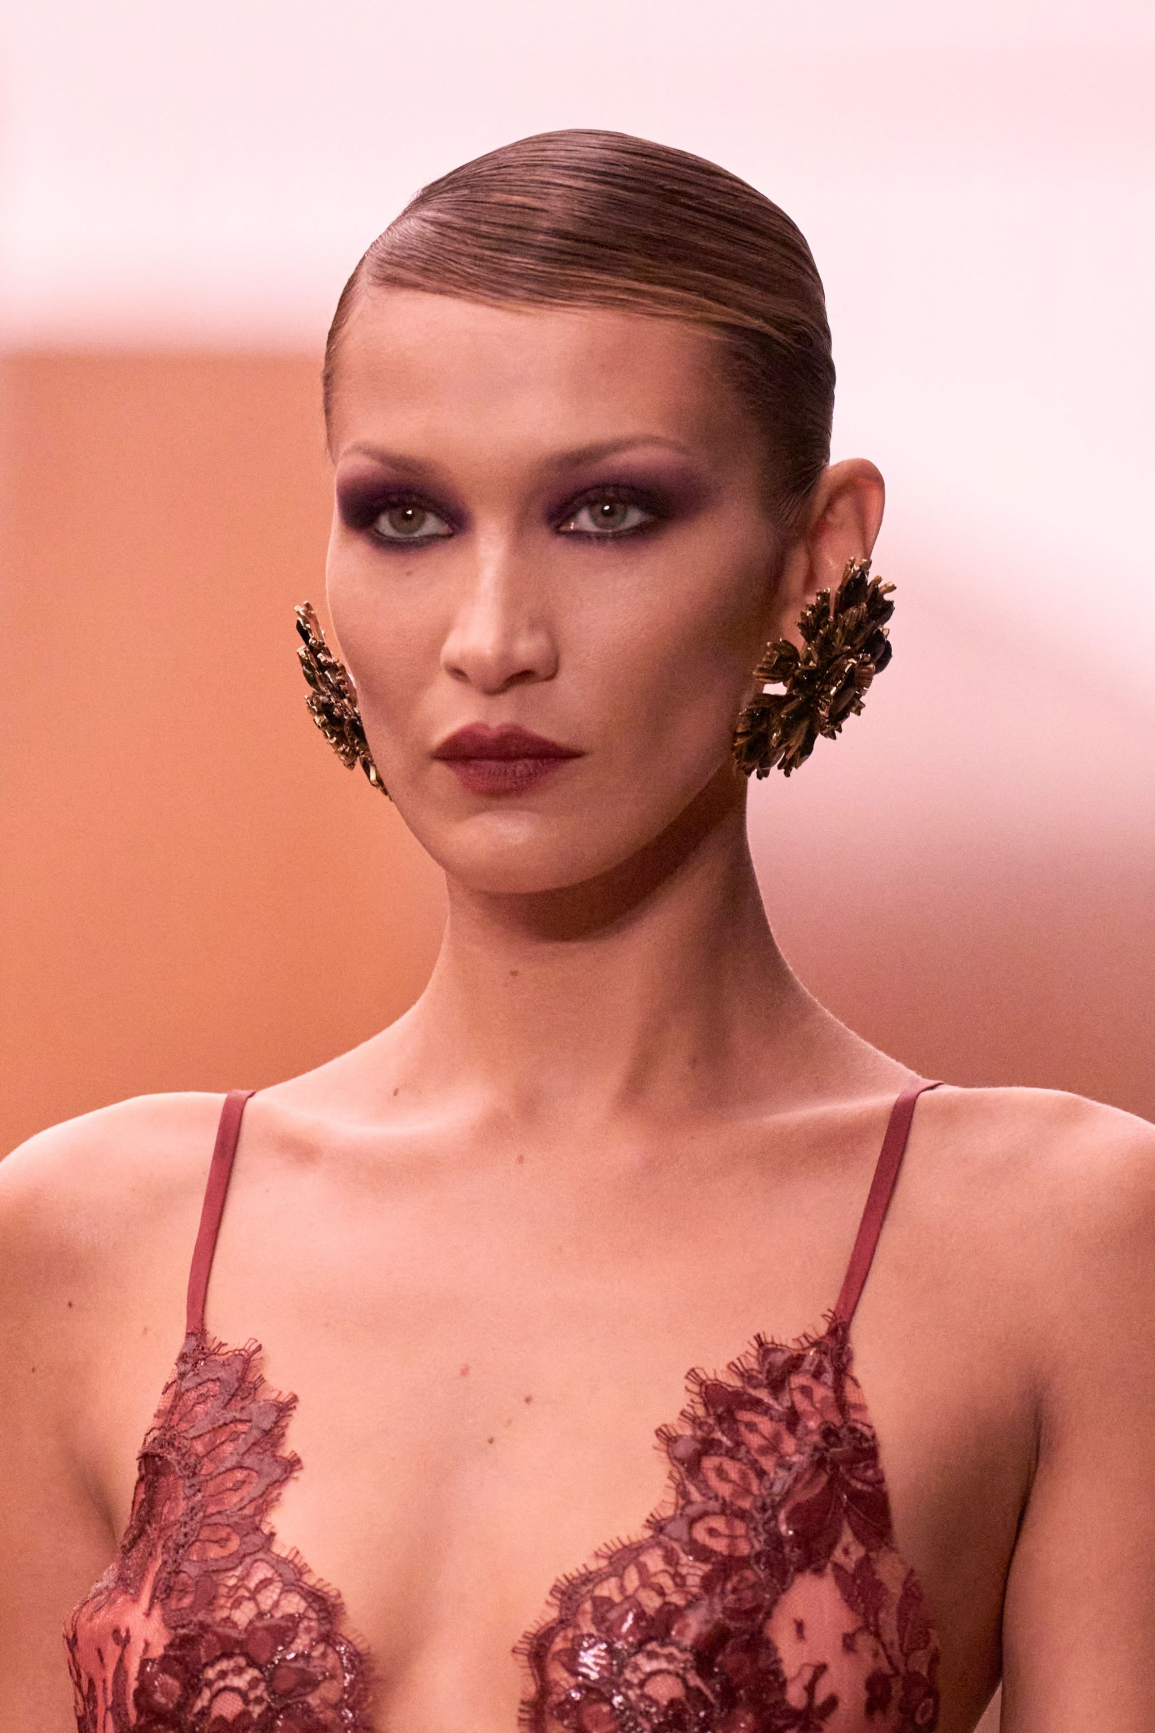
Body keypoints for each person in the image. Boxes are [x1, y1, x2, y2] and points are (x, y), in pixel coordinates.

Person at [0, 130, 1151, 1733]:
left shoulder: (1065, 1243)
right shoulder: (82, 1240)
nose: (491, 639)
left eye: (607, 512)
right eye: (406, 516)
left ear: (814, 558)